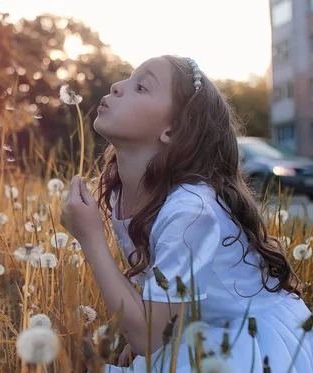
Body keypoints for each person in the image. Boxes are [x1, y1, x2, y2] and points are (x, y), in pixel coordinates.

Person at [59, 55, 313, 372]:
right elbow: (159, 298)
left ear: (173, 129)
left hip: (250, 341)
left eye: (140, 86)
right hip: (196, 327)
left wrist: (91, 238)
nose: (117, 86)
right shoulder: (121, 194)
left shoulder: (191, 209)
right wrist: (139, 332)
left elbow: (150, 339)